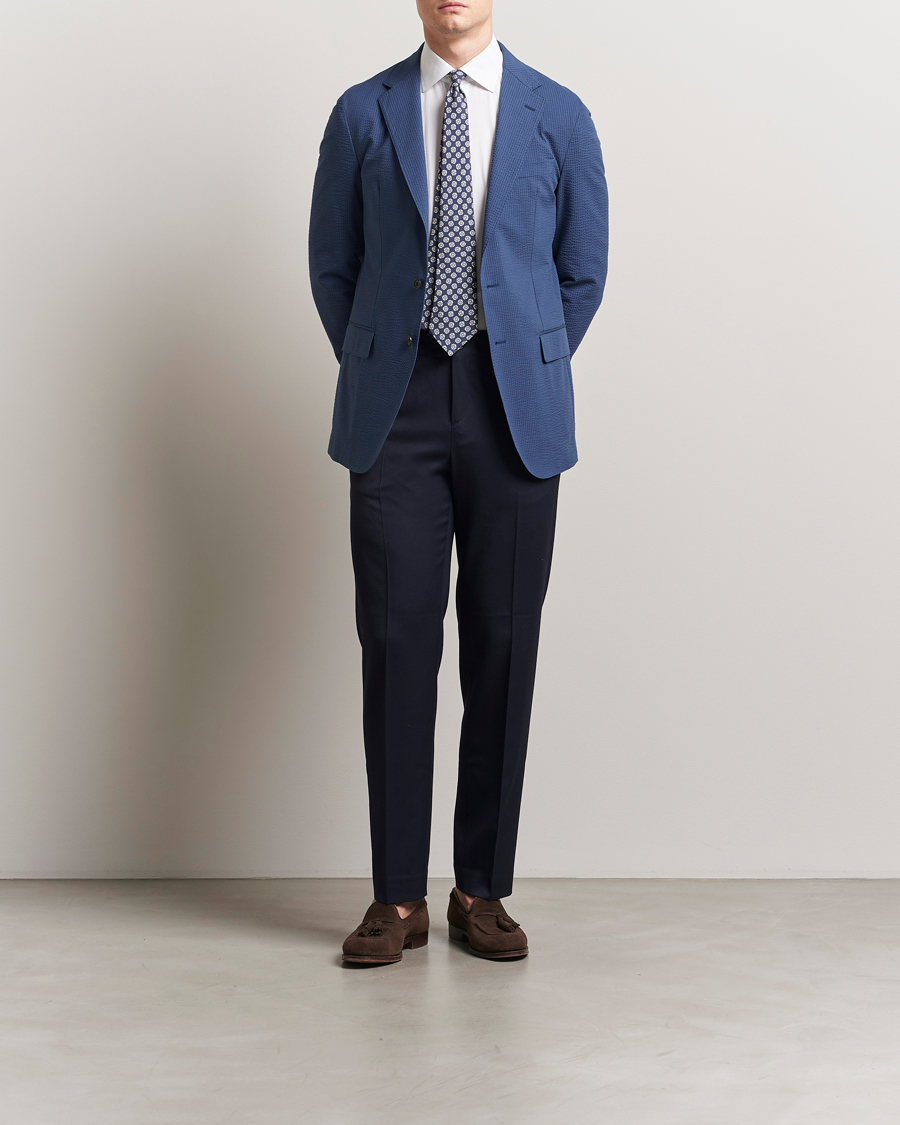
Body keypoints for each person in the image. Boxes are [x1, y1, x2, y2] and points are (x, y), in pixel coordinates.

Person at [308, 0, 608, 965]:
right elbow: (333, 265)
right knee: (396, 644)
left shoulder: (558, 114)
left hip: (513, 406)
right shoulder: (363, 110)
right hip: (393, 404)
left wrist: (522, 357)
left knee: (504, 645)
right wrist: (380, 361)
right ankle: (396, 896)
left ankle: (482, 887)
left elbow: (583, 270)